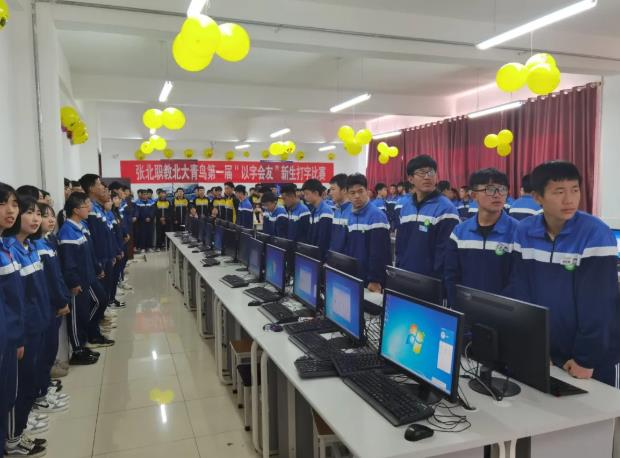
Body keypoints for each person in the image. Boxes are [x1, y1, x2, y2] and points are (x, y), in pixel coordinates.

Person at [508, 161, 620, 387]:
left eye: (574, 190)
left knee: (594, 408)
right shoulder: (524, 231)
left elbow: (599, 304)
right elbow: (521, 291)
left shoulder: (595, 233)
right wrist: (535, 345)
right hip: (545, 348)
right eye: (559, 192)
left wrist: (586, 358)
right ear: (537, 197)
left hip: (590, 356)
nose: (569, 200)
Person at [4, 196, 63, 458]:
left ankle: (19, 430)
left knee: (28, 382)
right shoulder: (10, 249)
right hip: (22, 332)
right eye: (30, 212)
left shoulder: (27, 247)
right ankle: (13, 439)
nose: (36, 218)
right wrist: (18, 337)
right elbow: (15, 301)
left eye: (38, 213)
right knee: (19, 388)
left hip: (37, 324)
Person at [444, 168, 519, 306]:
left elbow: (517, 281)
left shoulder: (517, 232)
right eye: (490, 189)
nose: (497, 195)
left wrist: (497, 310)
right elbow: (451, 275)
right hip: (465, 310)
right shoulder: (459, 232)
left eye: (502, 189)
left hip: (503, 313)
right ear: (474, 195)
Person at [0, 183, 30, 457]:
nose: (10, 210)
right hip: (4, 339)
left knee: (8, 395)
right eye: (2, 204)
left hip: (9, 338)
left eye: (14, 204)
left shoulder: (4, 247)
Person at [32, 203, 71, 410]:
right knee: (43, 353)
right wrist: (61, 301)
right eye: (42, 215)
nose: (49, 220)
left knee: (49, 350)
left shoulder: (46, 242)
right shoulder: (36, 246)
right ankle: (40, 395)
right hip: (46, 308)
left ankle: (44, 388)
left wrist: (63, 298)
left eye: (48, 215)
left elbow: (57, 275)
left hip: (52, 306)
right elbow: (49, 281)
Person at [395, 155, 460, 278]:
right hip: (405, 276)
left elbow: (445, 254)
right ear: (411, 179)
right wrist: (399, 268)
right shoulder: (406, 208)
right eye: (421, 173)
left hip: (431, 281)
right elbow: (400, 244)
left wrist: (434, 282)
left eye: (431, 172)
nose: (427, 177)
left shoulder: (446, 209)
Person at [57, 193, 102, 366]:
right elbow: (69, 262)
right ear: (76, 210)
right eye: (85, 206)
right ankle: (77, 351)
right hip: (77, 282)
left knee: (83, 313)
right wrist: (74, 282)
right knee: (76, 317)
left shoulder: (80, 226)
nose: (88, 209)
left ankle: (82, 346)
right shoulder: (67, 231)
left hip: (86, 277)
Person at [78, 174, 116, 347]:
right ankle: (93, 332)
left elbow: (106, 235)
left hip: (104, 257)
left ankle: (97, 327)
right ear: (92, 188)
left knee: (104, 293)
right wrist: (99, 261)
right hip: (98, 260)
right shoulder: (91, 210)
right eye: (100, 184)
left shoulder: (98, 208)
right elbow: (96, 238)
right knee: (99, 297)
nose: (103, 187)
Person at [343, 174, 391, 292]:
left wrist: (375, 280)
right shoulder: (350, 215)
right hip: (356, 276)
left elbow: (379, 253)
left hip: (371, 281)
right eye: (352, 193)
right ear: (348, 195)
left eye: (360, 191)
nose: (357, 196)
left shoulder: (377, 215)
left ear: (367, 191)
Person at [302, 179, 333, 259]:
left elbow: (323, 241)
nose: (305, 197)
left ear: (316, 193)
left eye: (307, 194)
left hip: (321, 257)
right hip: (313, 256)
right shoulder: (313, 211)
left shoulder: (325, 211)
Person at [328, 174, 352, 254]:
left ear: (344, 190)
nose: (330, 193)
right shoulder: (337, 211)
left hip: (346, 259)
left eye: (333, 189)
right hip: (335, 258)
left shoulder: (353, 211)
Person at [135, 189, 155, 253]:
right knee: (142, 234)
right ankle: (143, 247)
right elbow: (137, 212)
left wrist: (150, 217)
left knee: (150, 234)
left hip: (150, 221)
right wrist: (143, 218)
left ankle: (149, 247)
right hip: (141, 221)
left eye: (146, 194)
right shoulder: (138, 203)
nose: (145, 196)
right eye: (144, 194)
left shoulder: (151, 202)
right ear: (141, 195)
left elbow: (153, 211)